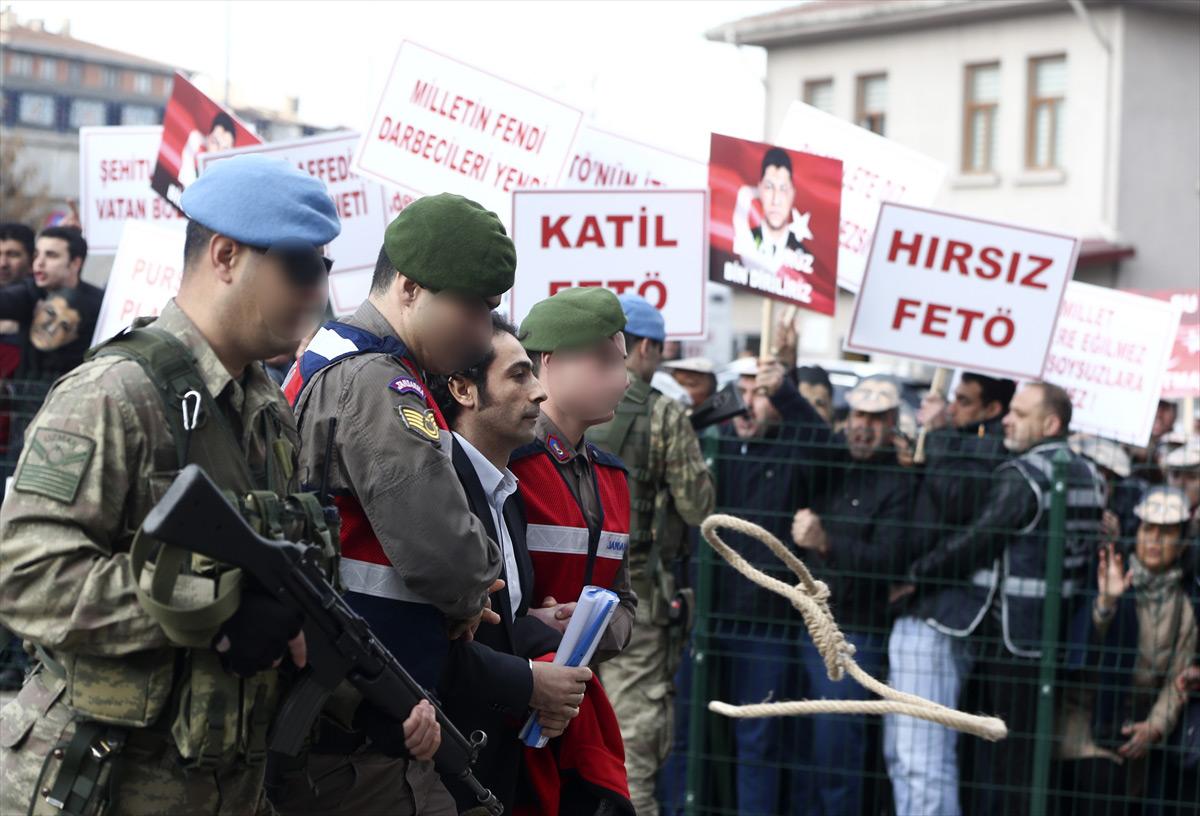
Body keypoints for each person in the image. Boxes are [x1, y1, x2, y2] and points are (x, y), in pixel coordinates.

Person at [0, 154, 427, 815]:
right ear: (225, 255)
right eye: (300, 267)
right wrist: (215, 606)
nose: (316, 291)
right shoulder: (115, 394)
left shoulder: (266, 411)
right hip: (102, 785)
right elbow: (26, 575)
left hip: (224, 787)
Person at [280, 193, 510, 814]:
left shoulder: (333, 352)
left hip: (360, 704)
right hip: (362, 736)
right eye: (472, 308)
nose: (483, 333)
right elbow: (444, 551)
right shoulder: (381, 382)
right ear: (409, 288)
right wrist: (469, 593)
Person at [906, 381, 1106, 813]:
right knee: (1028, 762)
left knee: (998, 763)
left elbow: (977, 542)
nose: (1006, 421)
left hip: (1008, 641)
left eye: (1019, 413)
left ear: (1050, 423)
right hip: (1054, 637)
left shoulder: (1023, 476)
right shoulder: (1091, 474)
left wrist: (916, 574)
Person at [429, 313, 593, 813]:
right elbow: (429, 644)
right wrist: (531, 682)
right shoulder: (437, 486)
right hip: (441, 769)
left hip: (496, 762)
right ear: (462, 389)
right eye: (519, 375)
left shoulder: (507, 490)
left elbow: (487, 628)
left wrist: (531, 627)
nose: (540, 393)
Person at [587, 295, 716, 815]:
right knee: (633, 747)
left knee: (570, 740)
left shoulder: (557, 397)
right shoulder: (663, 413)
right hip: (633, 598)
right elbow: (698, 507)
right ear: (643, 347)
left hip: (564, 593)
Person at [883, 371, 1013, 816]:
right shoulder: (954, 444)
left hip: (941, 616)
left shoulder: (991, 450)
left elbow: (958, 499)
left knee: (923, 753)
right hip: (917, 610)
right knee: (902, 752)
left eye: (964, 401)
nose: (951, 406)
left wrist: (936, 440)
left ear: (992, 411)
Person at [708, 354, 829, 815]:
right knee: (693, 735)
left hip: (764, 625)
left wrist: (785, 391)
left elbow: (824, 446)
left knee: (757, 738)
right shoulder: (711, 444)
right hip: (709, 615)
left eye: (759, 394)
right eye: (741, 391)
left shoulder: (791, 450)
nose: (747, 404)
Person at [789, 376, 915, 816]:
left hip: (856, 633)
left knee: (837, 747)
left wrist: (826, 544)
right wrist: (787, 372)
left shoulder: (901, 483)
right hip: (809, 622)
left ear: (893, 423)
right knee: (805, 748)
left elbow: (888, 559)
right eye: (860, 415)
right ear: (847, 418)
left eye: (877, 418)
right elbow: (804, 431)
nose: (866, 426)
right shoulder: (832, 464)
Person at [512, 286, 637, 661]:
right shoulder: (508, 462)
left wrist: (585, 629)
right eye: (604, 360)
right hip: (507, 688)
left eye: (622, 361)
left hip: (575, 692)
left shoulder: (611, 477)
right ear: (550, 361)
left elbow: (625, 602)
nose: (625, 380)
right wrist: (533, 626)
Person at [1057, 486, 1197, 814]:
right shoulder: (1111, 571)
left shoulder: (1184, 604)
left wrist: (1154, 727)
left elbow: (1177, 681)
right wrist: (1106, 603)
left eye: (1167, 533)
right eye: (1148, 529)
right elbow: (1084, 647)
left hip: (1137, 732)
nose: (1154, 540)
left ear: (1181, 544)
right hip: (1086, 724)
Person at [0, 226, 104, 381]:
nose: (39, 263)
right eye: (37, 255)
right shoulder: (28, 293)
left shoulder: (100, 303)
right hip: (29, 400)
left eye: (51, 255)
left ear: (75, 263)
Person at [732, 147, 813, 280]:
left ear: (793, 193)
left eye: (783, 189)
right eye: (769, 187)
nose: (775, 200)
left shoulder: (803, 255)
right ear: (759, 189)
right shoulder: (748, 240)